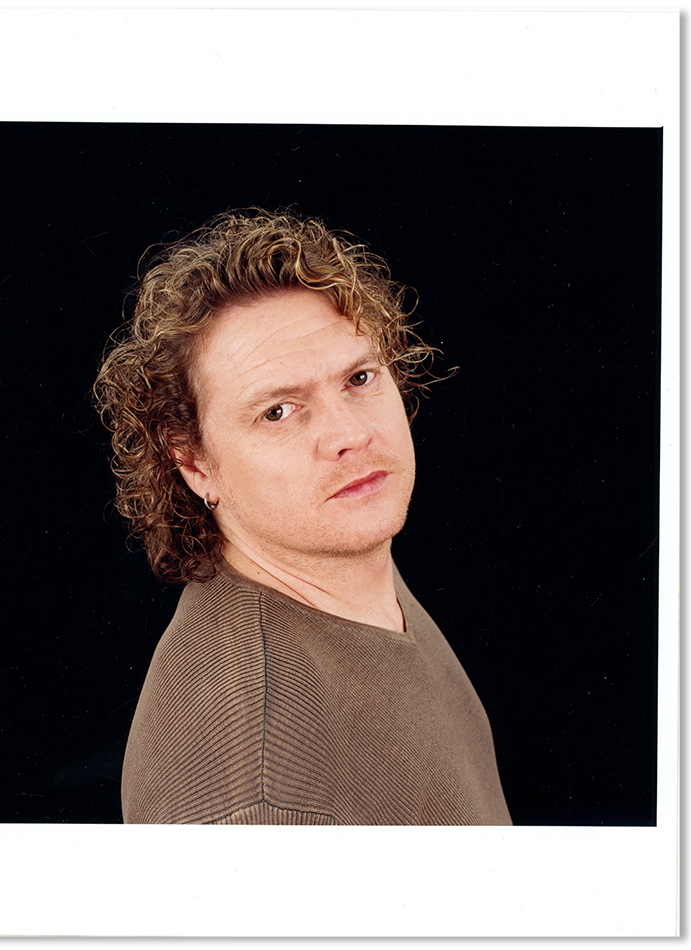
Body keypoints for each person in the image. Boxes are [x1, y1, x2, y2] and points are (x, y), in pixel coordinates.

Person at [95, 209, 511, 825]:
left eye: (359, 378)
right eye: (278, 412)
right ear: (194, 463)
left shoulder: (345, 578)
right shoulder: (255, 787)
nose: (350, 434)